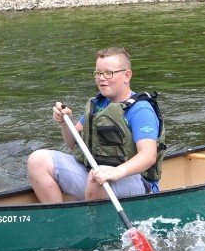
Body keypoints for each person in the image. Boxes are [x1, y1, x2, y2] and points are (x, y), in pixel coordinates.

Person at [27, 47, 164, 203]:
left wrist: (116, 172)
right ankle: (57, 219)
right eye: (98, 73)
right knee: (37, 160)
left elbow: (148, 156)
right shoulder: (97, 104)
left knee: (97, 177)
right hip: (96, 174)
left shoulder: (140, 109)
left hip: (136, 182)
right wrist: (66, 123)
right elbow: (74, 144)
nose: (101, 78)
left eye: (108, 73)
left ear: (127, 75)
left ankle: (92, 224)